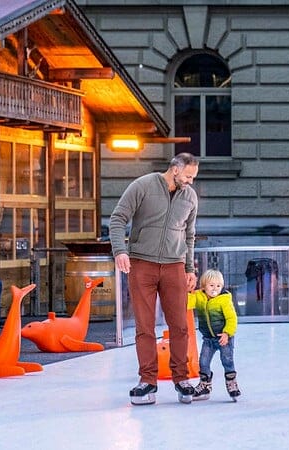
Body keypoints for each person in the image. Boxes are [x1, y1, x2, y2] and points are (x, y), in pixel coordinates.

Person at [109, 152, 200, 405]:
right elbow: (117, 219)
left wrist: (189, 268)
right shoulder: (143, 186)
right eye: (188, 176)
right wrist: (120, 251)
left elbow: (189, 235)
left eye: (194, 177)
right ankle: (147, 381)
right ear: (175, 170)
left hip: (175, 267)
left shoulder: (189, 197)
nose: (191, 182)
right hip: (142, 265)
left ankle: (182, 380)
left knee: (180, 326)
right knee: (145, 327)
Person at [188, 269, 241, 401]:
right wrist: (186, 291)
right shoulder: (199, 297)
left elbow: (232, 318)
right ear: (204, 286)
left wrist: (227, 333)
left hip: (224, 338)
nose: (215, 289)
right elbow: (187, 303)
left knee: (227, 360)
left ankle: (231, 383)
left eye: (218, 286)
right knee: (203, 362)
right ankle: (205, 385)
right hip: (208, 339)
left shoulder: (224, 300)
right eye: (211, 285)